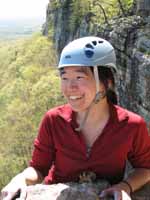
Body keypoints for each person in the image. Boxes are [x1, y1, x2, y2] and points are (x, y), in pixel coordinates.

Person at [1, 36, 150, 200]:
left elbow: (145, 168)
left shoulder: (131, 125)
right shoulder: (54, 120)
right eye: (64, 78)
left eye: (79, 77)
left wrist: (125, 186)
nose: (70, 87)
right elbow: (38, 168)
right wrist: (20, 179)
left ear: (106, 82)